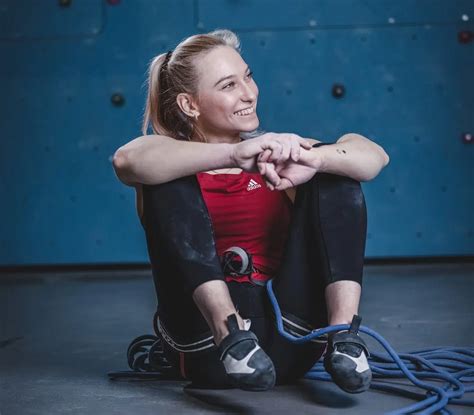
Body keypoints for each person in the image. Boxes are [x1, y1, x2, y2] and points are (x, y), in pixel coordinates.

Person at [112, 29, 389, 392]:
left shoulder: (275, 156)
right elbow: (128, 159)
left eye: (248, 76)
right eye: (228, 85)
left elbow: (373, 157)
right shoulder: (160, 159)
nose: (249, 93)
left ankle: (344, 340)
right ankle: (231, 336)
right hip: (205, 347)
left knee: (333, 168)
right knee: (167, 176)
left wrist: (315, 157)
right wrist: (232, 155)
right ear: (189, 105)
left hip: (291, 337)